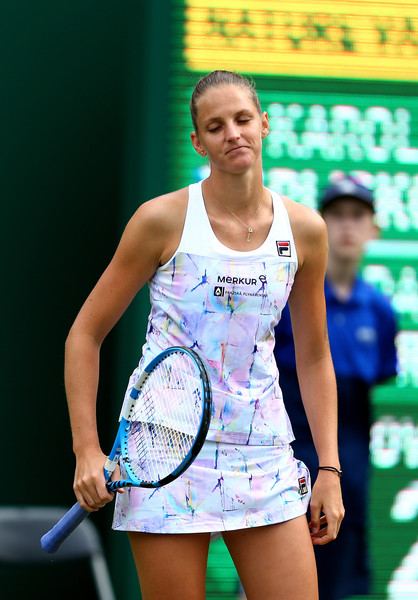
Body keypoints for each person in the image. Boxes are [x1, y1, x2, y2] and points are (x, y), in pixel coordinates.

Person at [64, 70, 344, 600]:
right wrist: (85, 449)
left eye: (242, 120)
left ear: (264, 125)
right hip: (161, 453)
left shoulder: (305, 229)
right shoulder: (160, 220)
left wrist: (327, 467)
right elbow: (84, 334)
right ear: (198, 141)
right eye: (215, 127)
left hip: (262, 452)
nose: (232, 133)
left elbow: (313, 356)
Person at [274, 175, 398, 600]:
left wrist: (340, 474)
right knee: (270, 583)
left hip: (347, 478)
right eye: (337, 215)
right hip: (283, 472)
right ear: (320, 223)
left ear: (374, 227)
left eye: (358, 216)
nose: (348, 226)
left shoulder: (381, 311)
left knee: (341, 586)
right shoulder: (289, 295)